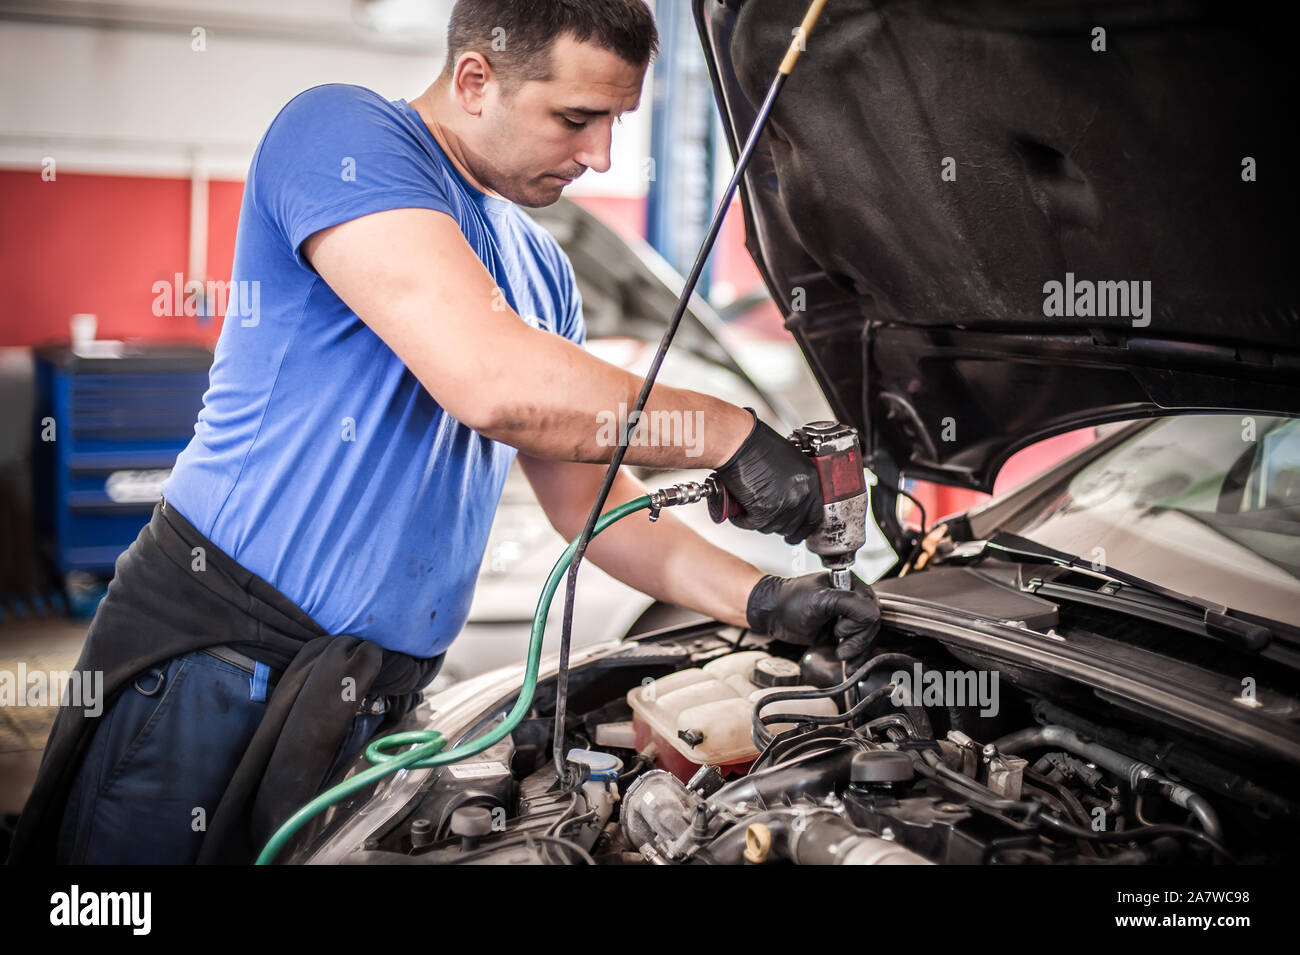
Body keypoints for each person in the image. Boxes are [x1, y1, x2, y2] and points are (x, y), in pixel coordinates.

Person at [9, 0, 881, 866]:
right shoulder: (341, 135)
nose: (600, 155)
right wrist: (728, 432)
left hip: (378, 695)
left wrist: (764, 599)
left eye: (615, 121)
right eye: (576, 118)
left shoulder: (540, 268)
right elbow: (490, 383)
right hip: (217, 659)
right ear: (476, 78)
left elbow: (593, 506)